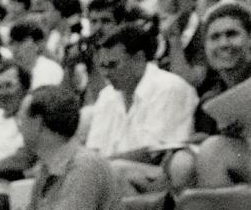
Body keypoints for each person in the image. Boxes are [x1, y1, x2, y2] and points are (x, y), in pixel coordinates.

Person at [167, 2, 251, 189]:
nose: (224, 44)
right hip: (232, 163)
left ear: (250, 38)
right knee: (181, 163)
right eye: (215, 37)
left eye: (231, 34)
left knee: (214, 149)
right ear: (206, 46)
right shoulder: (211, 95)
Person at [85, 21, 200, 192]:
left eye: (113, 65)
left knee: (113, 171)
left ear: (139, 59)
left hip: (162, 175)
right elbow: (94, 149)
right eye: (103, 66)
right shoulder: (107, 95)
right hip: (111, 171)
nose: (106, 74)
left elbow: (156, 153)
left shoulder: (169, 87)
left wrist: (98, 165)